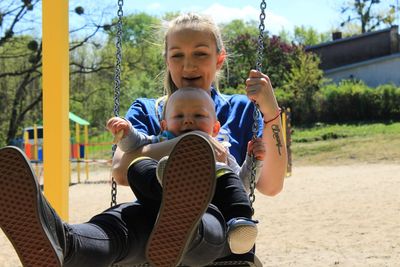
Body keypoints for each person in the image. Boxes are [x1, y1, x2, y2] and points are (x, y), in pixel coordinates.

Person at [0, 12, 287, 267]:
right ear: (166, 59)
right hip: (153, 222)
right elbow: (121, 171)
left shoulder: (239, 109)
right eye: (177, 55)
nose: (188, 65)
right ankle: (66, 243)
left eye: (200, 53)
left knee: (198, 225)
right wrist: (192, 143)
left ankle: (184, 219)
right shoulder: (148, 109)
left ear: (219, 58)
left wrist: (270, 109)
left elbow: (270, 186)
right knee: (119, 224)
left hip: (217, 231)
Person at [107, 88, 264, 254]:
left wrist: (253, 161)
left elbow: (242, 185)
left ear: (216, 128)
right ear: (164, 125)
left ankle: (239, 223)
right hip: (162, 200)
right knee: (138, 168)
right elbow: (135, 143)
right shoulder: (162, 141)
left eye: (198, 116)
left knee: (229, 178)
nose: (188, 121)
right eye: (179, 116)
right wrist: (126, 132)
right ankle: (167, 177)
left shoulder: (221, 151)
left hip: (210, 204)